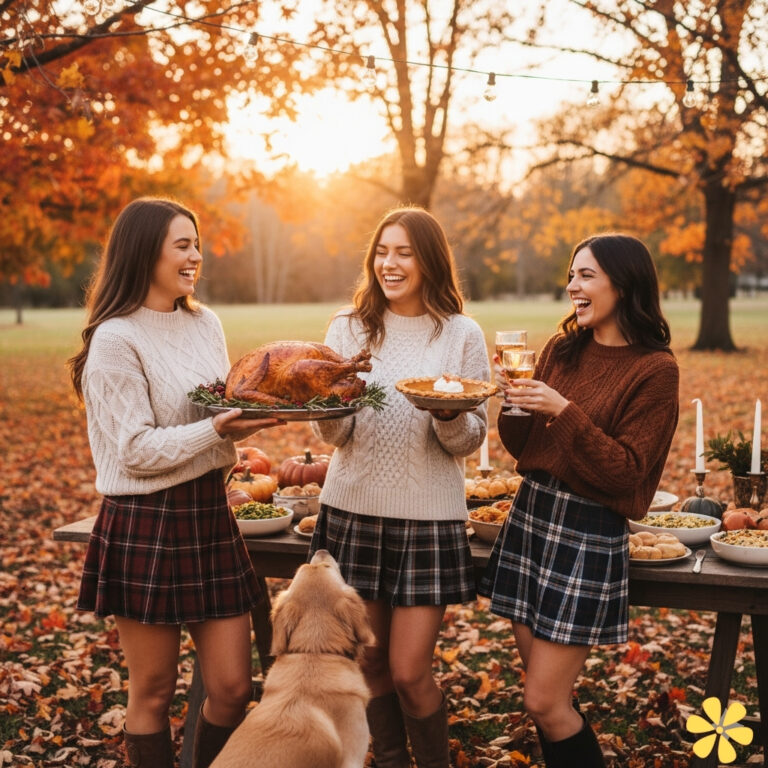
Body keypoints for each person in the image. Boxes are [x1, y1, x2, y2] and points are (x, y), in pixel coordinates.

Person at [68, 197, 285, 768]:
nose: (196, 256)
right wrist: (216, 430)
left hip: (210, 515)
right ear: (145, 252)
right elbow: (135, 450)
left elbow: (217, 409)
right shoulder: (116, 340)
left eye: (197, 244)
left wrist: (241, 424)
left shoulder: (204, 322)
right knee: (154, 690)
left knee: (234, 688)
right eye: (182, 245)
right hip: (147, 520)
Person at [479, 233, 679, 768]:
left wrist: (561, 409)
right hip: (532, 516)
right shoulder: (560, 350)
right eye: (571, 275)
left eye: (586, 275)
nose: (573, 286)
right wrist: (517, 406)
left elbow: (626, 472)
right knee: (551, 701)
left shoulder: (655, 370)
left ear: (624, 283)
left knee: (543, 701)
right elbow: (526, 450)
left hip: (587, 534)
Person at [308, 206, 490, 768]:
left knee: (410, 671)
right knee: (368, 662)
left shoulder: (461, 333)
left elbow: (472, 437)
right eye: (382, 252)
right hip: (352, 510)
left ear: (429, 260)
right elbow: (334, 432)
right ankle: (389, 760)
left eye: (404, 252)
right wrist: (333, 406)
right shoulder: (347, 327)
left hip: (428, 517)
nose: (390, 263)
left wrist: (446, 415)